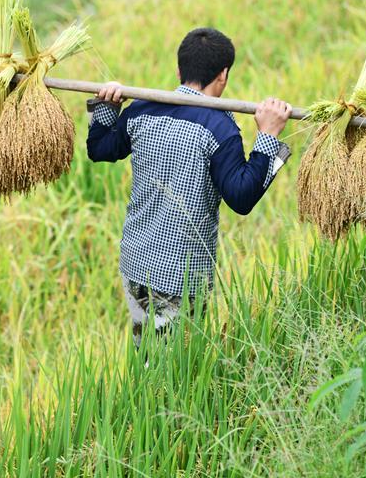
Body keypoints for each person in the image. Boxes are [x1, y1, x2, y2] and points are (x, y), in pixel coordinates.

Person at [86, 27, 293, 345]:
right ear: (223, 76)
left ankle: (141, 392)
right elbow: (241, 197)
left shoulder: (141, 109)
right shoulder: (219, 128)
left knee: (148, 353)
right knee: (174, 371)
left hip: (135, 262)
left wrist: (107, 105)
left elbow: (99, 148)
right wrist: (268, 135)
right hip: (180, 278)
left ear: (179, 69)